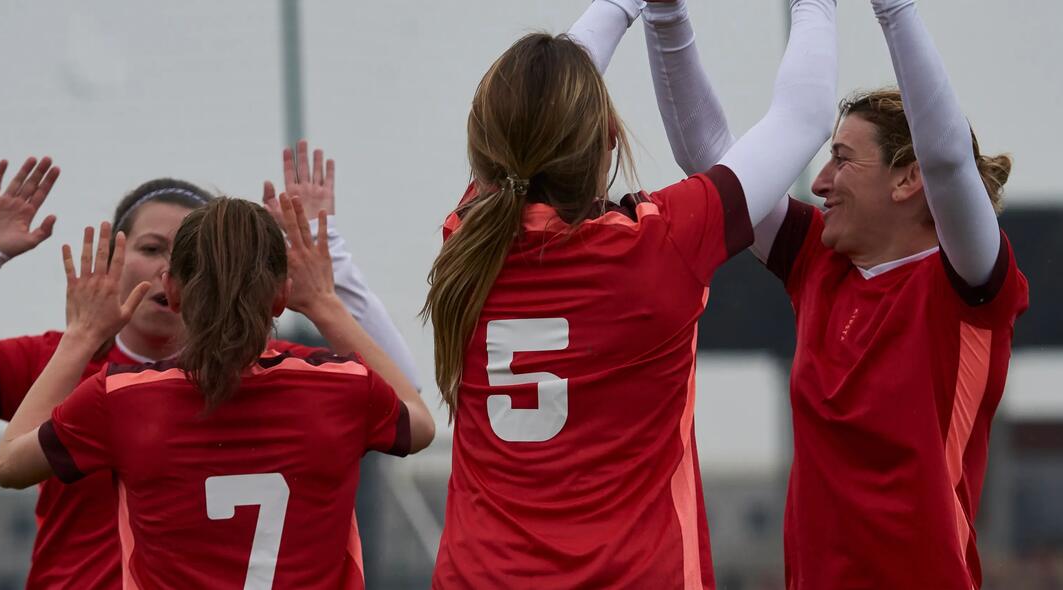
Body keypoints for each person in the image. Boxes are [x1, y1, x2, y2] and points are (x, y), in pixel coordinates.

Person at [0, 145, 420, 588]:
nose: (167, 265)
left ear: (182, 287)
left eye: (185, 255)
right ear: (114, 255)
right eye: (152, 247)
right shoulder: (53, 363)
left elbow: (6, 462)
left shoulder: (127, 389)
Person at [426, 1, 837, 586]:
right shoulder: (655, 246)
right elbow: (805, 118)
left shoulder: (466, 240)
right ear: (611, 137)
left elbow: (538, 101)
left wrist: (625, 6)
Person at [639, 0, 1029, 586]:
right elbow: (709, 153)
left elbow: (948, 160)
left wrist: (894, 10)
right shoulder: (820, 262)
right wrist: (665, 16)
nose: (818, 182)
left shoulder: (967, 286)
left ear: (908, 178)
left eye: (842, 161)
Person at [0, 192, 434, 588]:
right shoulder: (341, 387)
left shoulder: (121, 398)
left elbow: (10, 465)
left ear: (172, 290)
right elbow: (419, 423)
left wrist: (83, 334)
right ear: (282, 294)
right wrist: (325, 303)